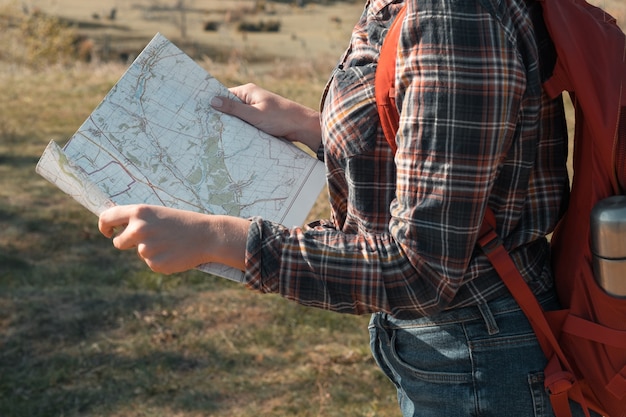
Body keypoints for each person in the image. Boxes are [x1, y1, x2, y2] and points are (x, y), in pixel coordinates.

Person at [98, 0, 598, 415]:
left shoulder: (453, 18)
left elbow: (420, 269)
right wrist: (310, 126)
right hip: (460, 346)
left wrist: (223, 241)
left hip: (479, 358)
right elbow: (440, 138)